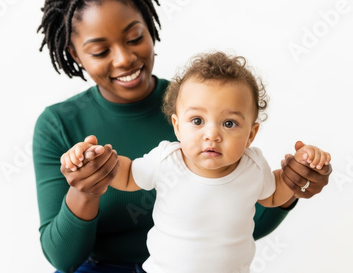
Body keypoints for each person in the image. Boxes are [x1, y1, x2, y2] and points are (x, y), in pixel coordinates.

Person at [34, 1, 332, 272]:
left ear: (150, 29)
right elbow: (64, 259)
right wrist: (89, 182)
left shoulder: (206, 97)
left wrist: (295, 182)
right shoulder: (61, 124)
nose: (124, 59)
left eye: (135, 37)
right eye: (100, 51)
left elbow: (243, 216)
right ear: (176, 125)